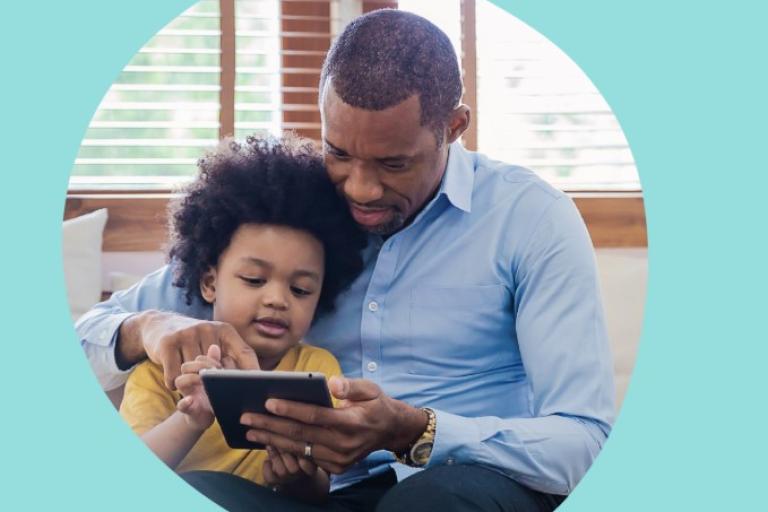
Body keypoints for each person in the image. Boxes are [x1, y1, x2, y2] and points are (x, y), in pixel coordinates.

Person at [77, 9, 614, 512]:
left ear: (453, 127)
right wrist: (148, 325)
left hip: (461, 480)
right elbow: (84, 336)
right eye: (338, 153)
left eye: (393, 163)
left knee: (428, 502)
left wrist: (415, 431)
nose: (359, 189)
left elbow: (586, 439)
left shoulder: (532, 219)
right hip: (313, 492)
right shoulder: (287, 216)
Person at [118, 136, 366, 505]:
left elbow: (317, 493)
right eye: (254, 280)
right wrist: (191, 419)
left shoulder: (317, 369)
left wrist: (298, 477)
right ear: (209, 282)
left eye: (300, 290)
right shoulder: (161, 371)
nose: (277, 300)